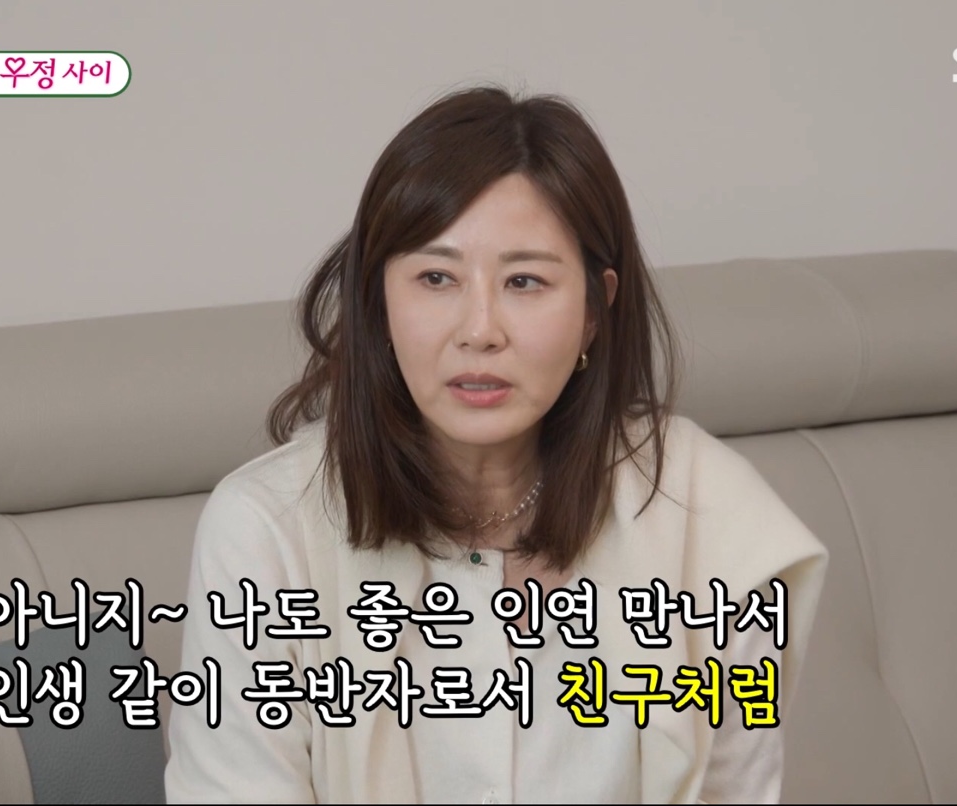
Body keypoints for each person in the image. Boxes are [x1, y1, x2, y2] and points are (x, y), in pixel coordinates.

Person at [165, 85, 828, 804]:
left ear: (594, 310)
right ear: (379, 302)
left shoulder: (712, 514)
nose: (479, 330)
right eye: (436, 278)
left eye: (524, 281)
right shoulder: (263, 531)